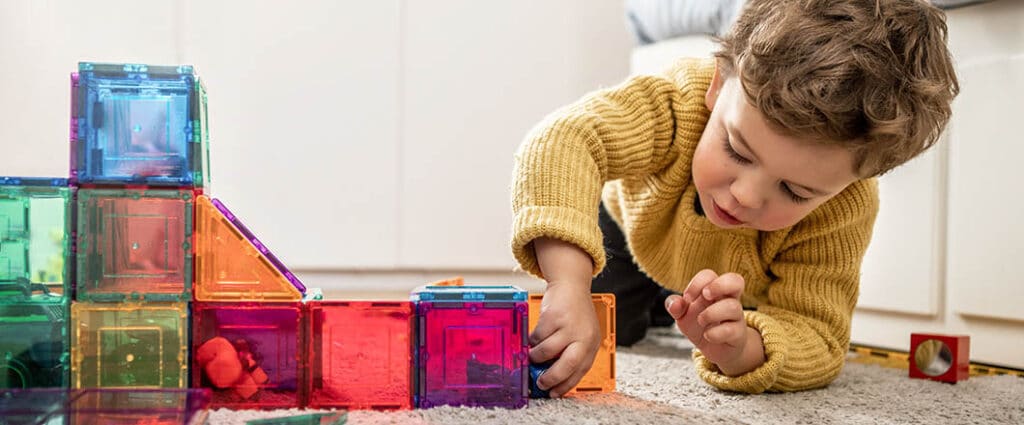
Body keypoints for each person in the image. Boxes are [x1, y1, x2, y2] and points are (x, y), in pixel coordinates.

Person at [511, 0, 959, 396]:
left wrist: (742, 347)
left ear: (853, 182)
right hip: (632, 230)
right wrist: (567, 284)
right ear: (718, 86)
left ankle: (695, 313)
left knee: (725, 322)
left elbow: (819, 337)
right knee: (602, 332)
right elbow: (563, 139)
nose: (744, 196)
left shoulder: (845, 208)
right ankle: (658, 308)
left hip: (736, 278)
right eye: (736, 150)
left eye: (794, 191)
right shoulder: (677, 98)